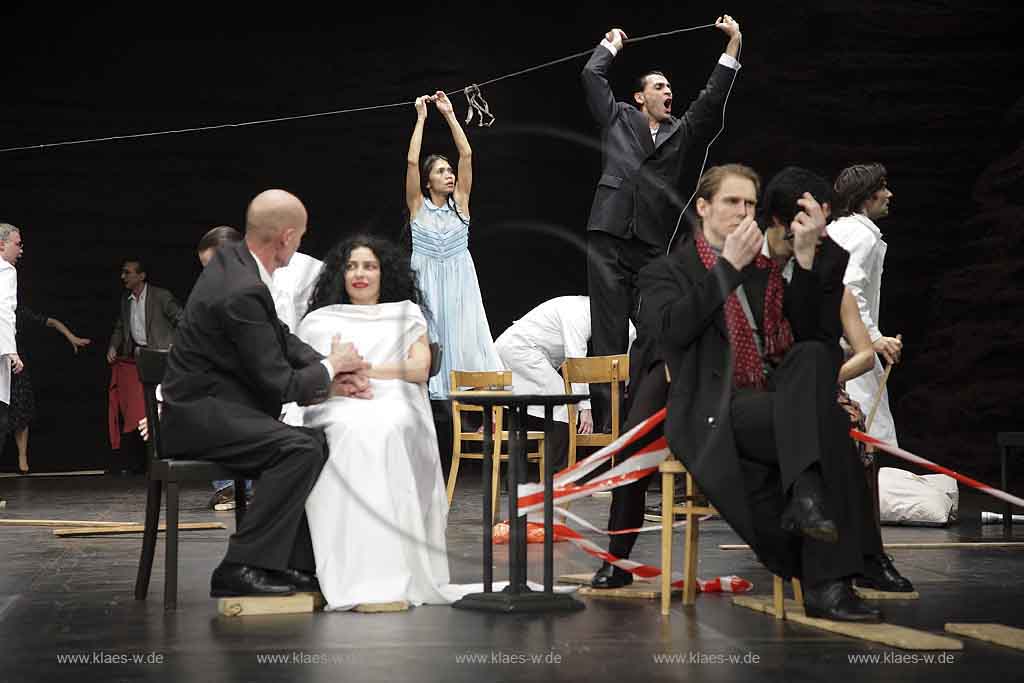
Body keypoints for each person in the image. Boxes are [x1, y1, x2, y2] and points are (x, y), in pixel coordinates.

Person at [593, 165, 911, 621]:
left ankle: (808, 503)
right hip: (715, 411)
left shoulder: (767, 273)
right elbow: (671, 332)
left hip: (776, 405)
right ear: (703, 208)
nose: (742, 211)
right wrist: (726, 271)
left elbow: (813, 341)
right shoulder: (668, 271)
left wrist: (804, 261)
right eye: (730, 202)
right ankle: (831, 579)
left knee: (818, 368)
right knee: (830, 427)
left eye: (748, 203)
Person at [160, 189, 369, 598]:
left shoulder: (235, 264)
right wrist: (330, 369)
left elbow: (278, 335)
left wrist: (331, 366)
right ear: (287, 237)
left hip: (218, 404)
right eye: (302, 236)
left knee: (313, 442)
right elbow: (279, 384)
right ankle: (239, 567)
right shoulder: (239, 286)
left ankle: (289, 563)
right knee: (298, 449)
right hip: (197, 416)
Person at [582, 16, 742, 431]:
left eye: (671, 87)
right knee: (608, 334)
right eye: (659, 86)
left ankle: (642, 424)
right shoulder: (618, 118)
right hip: (609, 234)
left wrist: (733, 47)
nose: (669, 91)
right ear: (639, 97)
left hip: (651, 244)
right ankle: (606, 430)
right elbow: (592, 75)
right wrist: (611, 43)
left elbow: (710, 100)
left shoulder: (682, 132)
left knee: (654, 330)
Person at [299, 234, 469, 610]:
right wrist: (341, 379)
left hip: (394, 395)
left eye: (370, 266)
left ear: (384, 273)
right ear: (340, 274)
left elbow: (420, 367)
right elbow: (307, 373)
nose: (360, 274)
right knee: (347, 429)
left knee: (388, 425)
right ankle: (348, 565)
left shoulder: (406, 313)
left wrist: (366, 368)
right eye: (352, 266)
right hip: (338, 398)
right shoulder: (319, 320)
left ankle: (394, 565)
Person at [405, 90, 503, 400]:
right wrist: (421, 118)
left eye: (449, 171)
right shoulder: (417, 206)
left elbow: (467, 155)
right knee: (429, 336)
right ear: (427, 180)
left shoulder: (460, 203)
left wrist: (449, 114)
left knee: (463, 337)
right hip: (427, 278)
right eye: (440, 171)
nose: (448, 175)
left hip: (460, 281)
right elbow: (410, 161)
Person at [494, 295, 636, 472]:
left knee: (547, 407)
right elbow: (575, 361)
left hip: (528, 353)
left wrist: (627, 386)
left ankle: (521, 475)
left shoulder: (613, 315)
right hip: (519, 350)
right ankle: (557, 474)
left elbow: (630, 344)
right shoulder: (577, 313)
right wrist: (585, 408)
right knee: (564, 403)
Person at [827, 163, 902, 446]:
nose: (889, 194)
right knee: (875, 436)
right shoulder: (863, 237)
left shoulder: (835, 229)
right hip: (852, 352)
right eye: (882, 188)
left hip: (833, 349)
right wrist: (874, 338)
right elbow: (850, 290)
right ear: (866, 196)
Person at [106, 258, 183, 472]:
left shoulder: (161, 296)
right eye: (123, 272)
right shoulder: (127, 300)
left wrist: (179, 349)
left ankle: (173, 458)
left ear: (141, 276)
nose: (123, 276)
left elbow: (182, 319)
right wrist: (113, 347)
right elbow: (120, 327)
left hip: (165, 356)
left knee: (166, 404)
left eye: (128, 272)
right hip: (142, 359)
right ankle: (149, 460)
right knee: (143, 408)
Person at [9, 307, 90, 473]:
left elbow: (51, 322)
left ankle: (22, 458)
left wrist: (71, 337)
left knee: (21, 412)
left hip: (15, 367)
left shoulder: (18, 314)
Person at [0, 224, 25, 465]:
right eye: (17, 244)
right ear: (1, 245)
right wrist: (11, 351)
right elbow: (4, 311)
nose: (21, 250)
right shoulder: (6, 270)